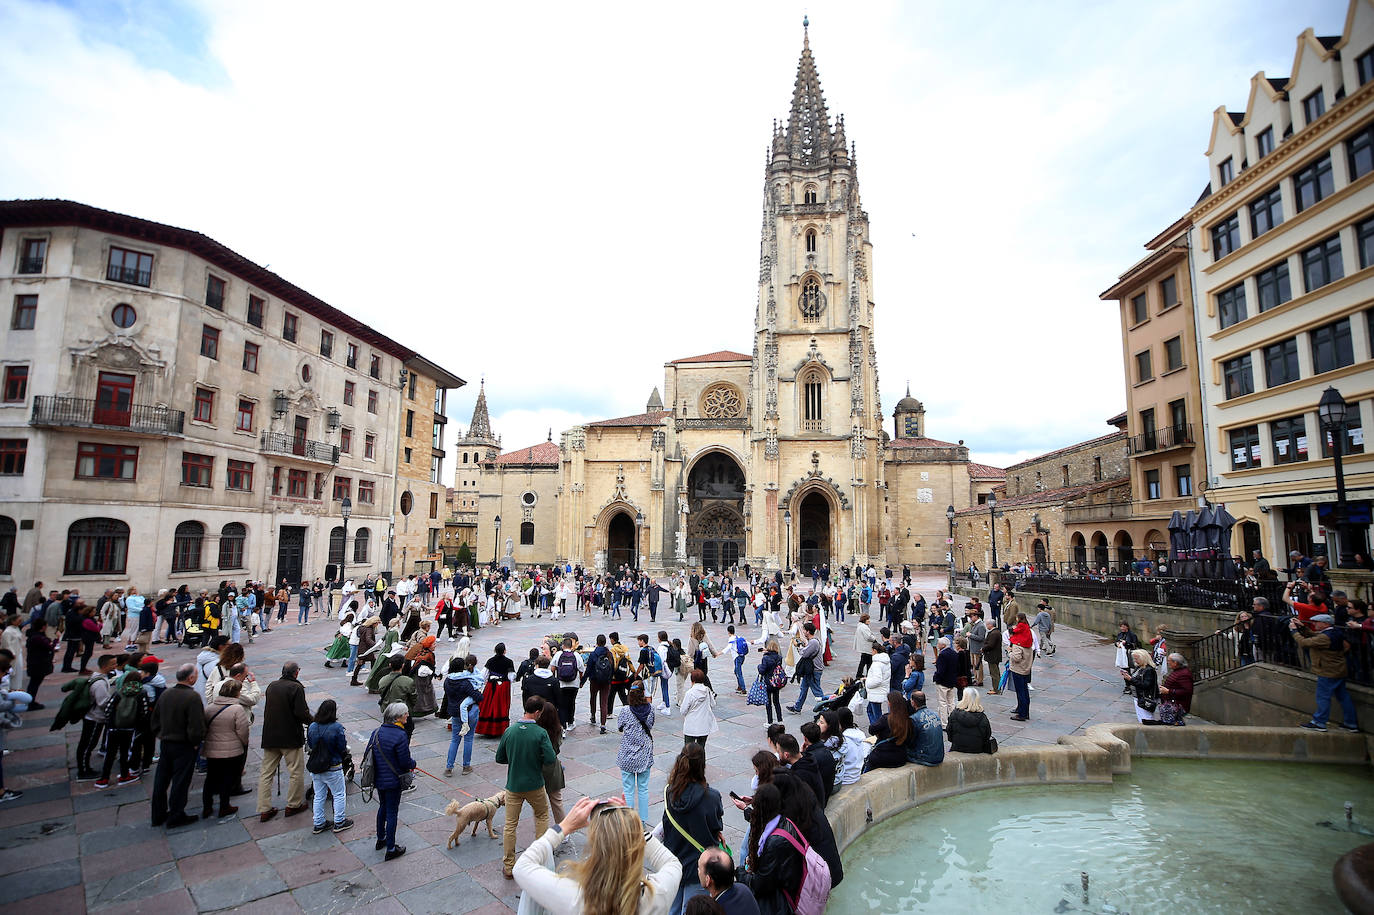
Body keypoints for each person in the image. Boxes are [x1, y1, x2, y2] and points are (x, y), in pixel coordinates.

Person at [514, 796, 682, 915]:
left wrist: (564, 827)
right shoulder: (658, 895)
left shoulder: (576, 899)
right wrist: (635, 828)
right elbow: (672, 863)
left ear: (595, 849)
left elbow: (522, 867)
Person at [495, 695, 556, 878]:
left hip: (513, 785)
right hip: (535, 784)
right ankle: (540, 860)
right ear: (537, 712)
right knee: (542, 815)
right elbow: (551, 759)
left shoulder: (510, 731)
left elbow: (499, 758)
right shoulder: (540, 733)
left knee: (510, 825)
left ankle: (508, 866)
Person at [661, 743, 724, 915]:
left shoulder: (669, 792)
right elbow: (716, 825)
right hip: (700, 865)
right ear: (702, 765)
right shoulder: (712, 796)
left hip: (673, 861)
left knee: (672, 910)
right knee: (694, 910)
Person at [150, 663, 206, 827]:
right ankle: (176, 814)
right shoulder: (192, 697)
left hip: (166, 743)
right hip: (184, 745)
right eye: (195, 675)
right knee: (180, 781)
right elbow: (197, 725)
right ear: (190, 678)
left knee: (161, 779)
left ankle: (158, 814)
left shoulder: (166, 693)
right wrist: (196, 743)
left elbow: (154, 720)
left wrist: (162, 735)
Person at [737, 783, 804, 915]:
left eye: (755, 807)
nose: (753, 811)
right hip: (787, 887)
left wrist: (740, 873)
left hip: (782, 902)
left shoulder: (775, 842)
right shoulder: (783, 821)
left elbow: (761, 885)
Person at [257, 661, 313, 822]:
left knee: (266, 772)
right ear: (296, 673)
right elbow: (301, 713)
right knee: (296, 771)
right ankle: (293, 804)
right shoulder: (296, 688)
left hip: (270, 736)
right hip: (290, 736)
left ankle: (264, 808)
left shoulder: (272, 686)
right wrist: (315, 721)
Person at [1290, 614, 1360, 732]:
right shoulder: (1335, 632)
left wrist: (1294, 631)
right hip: (1338, 669)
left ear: (1326, 624)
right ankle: (1351, 723)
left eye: (1317, 622)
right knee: (1343, 697)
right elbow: (1316, 636)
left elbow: (1304, 642)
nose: (1315, 624)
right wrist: (1302, 627)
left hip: (1328, 671)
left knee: (1323, 697)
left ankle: (1319, 722)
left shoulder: (1325, 637)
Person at [371, 702, 416, 860]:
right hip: (393, 780)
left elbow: (369, 755)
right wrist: (413, 764)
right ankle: (391, 848)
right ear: (397, 717)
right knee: (392, 812)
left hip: (378, 778)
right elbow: (404, 761)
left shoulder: (377, 732)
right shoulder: (400, 735)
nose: (407, 716)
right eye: (405, 713)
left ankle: (381, 839)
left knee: (382, 806)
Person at [202, 678, 250, 819]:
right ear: (236, 693)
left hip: (211, 749)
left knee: (210, 778)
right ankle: (224, 806)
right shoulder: (236, 709)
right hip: (231, 749)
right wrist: (243, 743)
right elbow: (243, 731)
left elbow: (204, 728)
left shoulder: (209, 708)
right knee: (227, 778)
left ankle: (207, 807)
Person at [306, 699, 354, 834]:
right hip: (333, 765)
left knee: (319, 795)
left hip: (316, 766)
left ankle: (318, 822)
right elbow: (342, 746)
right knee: (338, 794)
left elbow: (310, 744)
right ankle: (339, 821)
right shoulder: (336, 727)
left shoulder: (313, 726)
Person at [618, 680, 656, 823]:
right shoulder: (650, 709)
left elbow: (620, 726)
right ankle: (643, 820)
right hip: (644, 753)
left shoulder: (625, 711)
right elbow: (650, 725)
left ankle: (628, 820)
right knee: (643, 788)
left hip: (627, 753)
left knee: (628, 789)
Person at [443, 655, 485, 776]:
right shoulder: (465, 682)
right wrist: (480, 694)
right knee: (468, 738)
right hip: (470, 711)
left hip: (455, 712)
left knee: (455, 740)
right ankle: (466, 766)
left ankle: (449, 768)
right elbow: (478, 697)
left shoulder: (448, 681)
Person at [698, 848, 760, 915]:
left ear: (708, 880)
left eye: (699, 868)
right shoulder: (744, 890)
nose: (698, 870)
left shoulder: (714, 911)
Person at [863, 691, 913, 771]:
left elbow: (871, 730)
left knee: (867, 764)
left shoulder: (886, 719)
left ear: (891, 704)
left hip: (883, 757)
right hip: (901, 757)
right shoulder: (908, 720)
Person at [477, 642, 516, 737]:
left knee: (488, 705)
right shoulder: (509, 662)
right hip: (502, 687)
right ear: (504, 651)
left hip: (491, 686)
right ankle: (499, 729)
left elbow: (483, 675)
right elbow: (511, 677)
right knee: (500, 706)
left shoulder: (490, 660)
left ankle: (486, 728)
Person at [786, 623, 824, 714]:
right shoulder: (813, 641)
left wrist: (799, 647)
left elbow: (805, 654)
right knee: (804, 688)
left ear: (808, 631)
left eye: (804, 630)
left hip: (814, 670)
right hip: (811, 670)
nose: (803, 632)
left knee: (816, 690)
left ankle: (825, 707)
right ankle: (797, 707)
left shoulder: (813, 642)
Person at [946, 687, 993, 753]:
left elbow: (949, 734)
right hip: (977, 750)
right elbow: (987, 736)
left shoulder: (954, 714)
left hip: (957, 748)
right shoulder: (983, 718)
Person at [585, 633, 614, 734]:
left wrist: (583, 681)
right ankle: (603, 724)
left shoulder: (593, 654)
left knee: (593, 697)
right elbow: (612, 668)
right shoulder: (609, 654)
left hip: (594, 680)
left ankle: (593, 716)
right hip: (606, 681)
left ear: (597, 642)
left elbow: (588, 669)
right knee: (604, 702)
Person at [680, 669, 718, 749]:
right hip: (704, 725)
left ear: (692, 680)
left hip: (691, 725)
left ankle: (689, 762)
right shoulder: (707, 690)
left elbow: (683, 711)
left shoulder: (690, 693)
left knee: (688, 750)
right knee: (701, 749)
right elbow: (713, 704)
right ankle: (701, 761)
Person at [553, 636, 584, 731]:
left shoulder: (558, 654)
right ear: (572, 646)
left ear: (563, 646)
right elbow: (581, 670)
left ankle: (563, 725)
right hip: (573, 684)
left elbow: (552, 668)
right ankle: (571, 722)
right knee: (571, 702)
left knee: (562, 704)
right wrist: (580, 681)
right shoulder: (576, 655)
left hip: (561, 684)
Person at [907, 690, 945, 766]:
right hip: (939, 756)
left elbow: (911, 741)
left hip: (926, 758)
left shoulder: (914, 719)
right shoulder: (935, 714)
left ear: (913, 703)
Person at [1121, 649, 1158, 723]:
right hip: (1138, 696)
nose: (1135, 660)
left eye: (1136, 658)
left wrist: (1131, 679)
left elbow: (1146, 685)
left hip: (1145, 697)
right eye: (1134, 658)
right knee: (1141, 717)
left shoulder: (1149, 670)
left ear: (1143, 658)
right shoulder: (1139, 667)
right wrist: (1128, 677)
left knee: (1146, 718)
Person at [1008, 615, 1033, 721]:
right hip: (1026, 668)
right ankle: (1024, 711)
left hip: (1018, 669)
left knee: (1020, 692)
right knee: (1025, 692)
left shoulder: (1018, 644)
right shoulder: (1028, 641)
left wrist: (1009, 651)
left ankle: (1022, 714)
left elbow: (1016, 658)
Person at [1157, 653, 1194, 726]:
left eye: (1169, 661)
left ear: (1175, 662)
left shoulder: (1184, 674)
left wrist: (1168, 691)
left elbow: (1187, 691)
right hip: (1171, 704)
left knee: (1172, 725)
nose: (1167, 663)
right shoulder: (1178, 671)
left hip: (1177, 706)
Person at [932, 636, 959, 725]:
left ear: (943, 645)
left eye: (938, 643)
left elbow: (941, 670)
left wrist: (936, 677)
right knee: (951, 702)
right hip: (951, 681)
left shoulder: (942, 655)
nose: (937, 645)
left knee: (942, 703)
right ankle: (953, 721)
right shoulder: (954, 653)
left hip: (943, 682)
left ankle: (945, 723)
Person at [757, 639, 786, 724]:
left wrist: (759, 666)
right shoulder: (779, 657)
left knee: (768, 703)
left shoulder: (765, 658)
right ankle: (780, 720)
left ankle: (770, 721)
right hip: (776, 682)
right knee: (776, 702)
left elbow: (762, 670)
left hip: (768, 682)